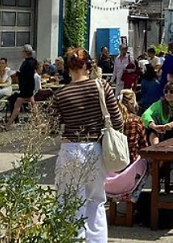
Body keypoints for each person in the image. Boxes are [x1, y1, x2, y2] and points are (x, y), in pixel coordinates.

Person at [49, 47, 123, 243]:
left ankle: (74, 239)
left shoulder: (61, 94)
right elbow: (117, 122)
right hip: (94, 148)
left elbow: (52, 129)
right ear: (88, 66)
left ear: (67, 68)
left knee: (70, 200)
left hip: (70, 149)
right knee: (96, 200)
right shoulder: (102, 87)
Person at [4, 44, 37, 130]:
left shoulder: (28, 63)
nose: (21, 53)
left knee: (17, 105)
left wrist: (17, 74)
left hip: (26, 87)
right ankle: (38, 122)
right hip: (29, 86)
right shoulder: (31, 61)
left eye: (22, 51)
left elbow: (26, 75)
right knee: (32, 104)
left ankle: (8, 125)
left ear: (25, 52)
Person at [117, 89, 148, 162]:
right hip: (132, 161)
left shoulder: (112, 120)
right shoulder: (137, 121)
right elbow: (143, 145)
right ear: (133, 103)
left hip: (113, 161)